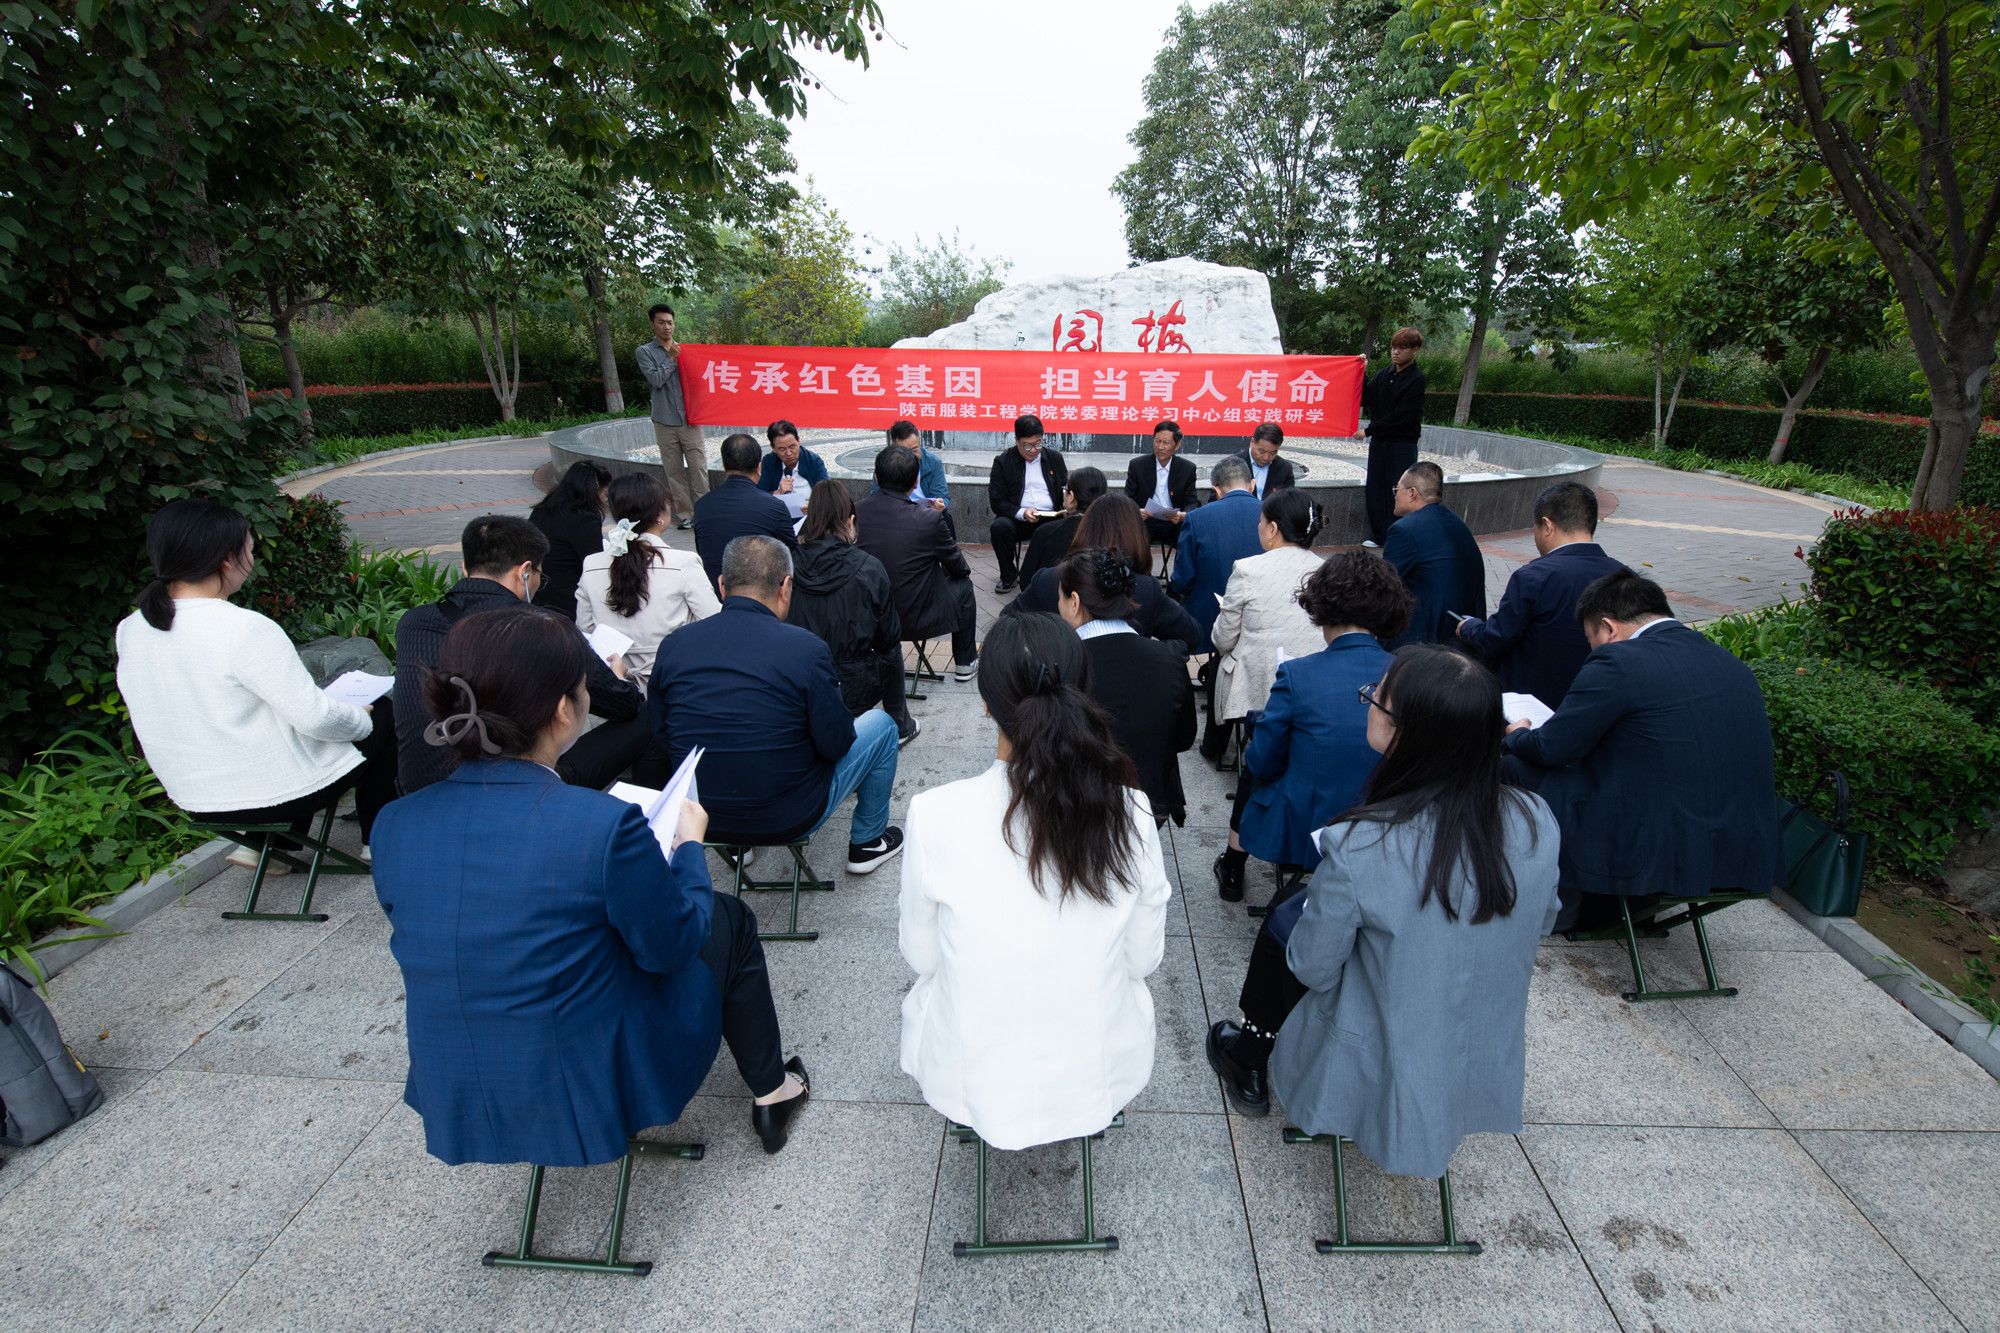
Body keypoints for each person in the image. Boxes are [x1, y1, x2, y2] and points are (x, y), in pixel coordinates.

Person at [370, 604, 810, 1165]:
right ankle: (773, 1090)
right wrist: (688, 847)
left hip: (456, 1081)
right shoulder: (599, 825)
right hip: (588, 1082)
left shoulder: (395, 824)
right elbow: (674, 946)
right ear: (563, 709)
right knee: (728, 918)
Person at [1206, 644, 1561, 1186]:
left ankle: (1250, 1050)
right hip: (1481, 1046)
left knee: (1286, 921)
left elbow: (1312, 965)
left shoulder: (1361, 843)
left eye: (1377, 697)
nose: (1369, 701)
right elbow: (1543, 920)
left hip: (1370, 1052)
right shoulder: (1536, 819)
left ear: (1403, 733)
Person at [899, 612, 1173, 1151]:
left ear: (986, 704)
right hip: (1098, 1069)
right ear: (1081, 691)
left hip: (971, 1076)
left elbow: (922, 958)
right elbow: (1143, 960)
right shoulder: (1133, 811)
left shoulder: (934, 815)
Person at [1502, 570, 1783, 931]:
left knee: (1512, 767)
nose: (1592, 650)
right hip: (1739, 847)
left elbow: (1551, 748)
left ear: (1608, 628)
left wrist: (1518, 733)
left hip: (1654, 843)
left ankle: (1558, 902)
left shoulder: (1618, 662)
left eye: (1590, 639)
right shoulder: (1731, 663)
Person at [117, 498, 397, 859]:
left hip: (195, 799)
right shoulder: (244, 628)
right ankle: (378, 842)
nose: (252, 559)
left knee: (293, 725)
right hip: (270, 797)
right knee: (384, 715)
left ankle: (269, 848)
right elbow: (316, 719)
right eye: (249, 550)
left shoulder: (133, 629)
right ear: (227, 559)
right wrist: (359, 716)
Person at [648, 535, 904, 873]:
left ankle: (739, 848)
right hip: (789, 815)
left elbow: (662, 733)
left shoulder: (674, 645)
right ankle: (868, 842)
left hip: (701, 817)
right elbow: (837, 742)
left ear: (722, 586)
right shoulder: (806, 649)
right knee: (882, 726)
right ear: (786, 587)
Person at [394, 516, 656, 795]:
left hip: (419, 788)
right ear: (525, 571)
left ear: (465, 567)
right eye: (541, 574)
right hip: (513, 795)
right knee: (649, 714)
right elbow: (622, 705)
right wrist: (618, 679)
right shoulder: (543, 628)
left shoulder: (413, 623)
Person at [1215, 554, 1411, 901]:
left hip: (1310, 826)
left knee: (1257, 760)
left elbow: (1262, 762)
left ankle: (1233, 862)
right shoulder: (1408, 672)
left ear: (1321, 604)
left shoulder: (1298, 674)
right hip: (1389, 822)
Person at [1057, 549, 1197, 826]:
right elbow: (1184, 738)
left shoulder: (1060, 666)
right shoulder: (1170, 658)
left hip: (1077, 809)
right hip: (1150, 806)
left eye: (1059, 598)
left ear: (1074, 602)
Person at [1456, 480, 1626, 708]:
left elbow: (1496, 638)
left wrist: (1469, 627)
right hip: (1593, 703)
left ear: (1547, 525)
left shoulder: (1533, 576)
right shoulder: (1625, 577)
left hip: (1529, 706)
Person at [787, 481, 918, 746]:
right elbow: (889, 635)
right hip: (858, 685)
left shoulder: (788, 565)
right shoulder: (870, 567)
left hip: (803, 681)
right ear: (850, 521)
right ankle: (899, 724)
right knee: (891, 648)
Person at [1008, 494, 1202, 655]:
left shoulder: (1049, 579)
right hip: (1127, 683)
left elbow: (1007, 625)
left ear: (1084, 529)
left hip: (1060, 682)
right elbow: (1192, 636)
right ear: (1137, 535)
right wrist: (1154, 655)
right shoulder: (1145, 588)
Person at [576, 471, 719, 688]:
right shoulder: (684, 562)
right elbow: (713, 621)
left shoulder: (592, 564)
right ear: (660, 513)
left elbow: (585, 627)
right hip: (676, 676)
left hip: (615, 680)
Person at [855, 445, 979, 683]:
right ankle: (965, 663)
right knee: (963, 587)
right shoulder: (929, 519)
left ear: (877, 477)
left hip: (868, 618)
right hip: (915, 619)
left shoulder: (855, 513)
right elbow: (960, 567)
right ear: (915, 482)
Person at [1212, 488, 1329, 728]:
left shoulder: (1247, 569)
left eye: (1261, 521)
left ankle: (1214, 744)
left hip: (1259, 687)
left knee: (1222, 660)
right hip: (1315, 683)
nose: (1259, 527)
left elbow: (1223, 639)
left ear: (1273, 529)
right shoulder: (1326, 570)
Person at [1381, 461, 1486, 649]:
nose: (1395, 495)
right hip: (1464, 631)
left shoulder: (1404, 530)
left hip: (1425, 641)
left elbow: (1382, 585)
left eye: (1397, 489)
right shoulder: (1457, 523)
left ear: (1412, 493)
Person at [1170, 454, 1265, 655]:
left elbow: (1182, 579)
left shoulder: (1196, 518)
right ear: (1252, 485)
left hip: (1207, 616)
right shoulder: (1271, 514)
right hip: (1260, 615)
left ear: (1217, 490)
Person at [693, 432, 799, 591]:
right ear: (759, 466)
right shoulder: (773, 506)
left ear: (724, 466)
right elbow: (791, 553)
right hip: (761, 595)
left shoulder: (701, 506)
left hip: (714, 591)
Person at [634, 303, 708, 529]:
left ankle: (705, 513)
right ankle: (686, 515)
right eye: (661, 322)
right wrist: (671, 359)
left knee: (698, 468)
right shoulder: (645, 352)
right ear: (653, 324)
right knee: (674, 471)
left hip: (690, 419)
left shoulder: (686, 350)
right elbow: (655, 380)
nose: (667, 327)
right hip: (664, 421)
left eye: (670, 322)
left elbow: (702, 381)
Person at [1359, 327, 1427, 547]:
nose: (1396, 352)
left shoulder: (1416, 379)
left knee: (1399, 489)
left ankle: (1397, 536)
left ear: (1415, 350)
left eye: (1402, 348)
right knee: (1375, 486)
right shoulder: (1384, 374)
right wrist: (1361, 372)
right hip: (1380, 442)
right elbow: (1366, 397)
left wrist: (1368, 430)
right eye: (1394, 347)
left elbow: (1401, 416)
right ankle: (1380, 535)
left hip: (1402, 443)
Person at [987, 414, 1069, 593]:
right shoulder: (1003, 462)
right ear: (1017, 440)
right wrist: (1022, 512)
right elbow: (997, 501)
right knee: (999, 527)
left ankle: (1055, 576)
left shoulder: (1054, 458)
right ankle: (1009, 576)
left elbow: (1065, 487)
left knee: (1069, 526)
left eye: (1038, 443)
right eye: (1027, 445)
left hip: (1051, 517)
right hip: (1019, 519)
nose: (1033, 450)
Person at [527, 461, 610, 621]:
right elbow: (593, 563)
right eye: (604, 493)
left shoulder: (543, 509)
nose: (605, 499)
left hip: (537, 590)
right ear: (594, 490)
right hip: (568, 599)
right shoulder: (585, 519)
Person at [1125, 420, 1200, 564]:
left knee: (1190, 537)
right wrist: (1136, 511)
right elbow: (1128, 497)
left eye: (1166, 443)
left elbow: (1192, 501)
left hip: (1173, 522)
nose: (1160, 447)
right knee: (1132, 536)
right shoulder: (1137, 465)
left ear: (1177, 445)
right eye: (1157, 441)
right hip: (1146, 521)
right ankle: (1141, 575)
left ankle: (1180, 577)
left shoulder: (1187, 468)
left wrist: (1183, 515)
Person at [1018, 466, 1108, 586]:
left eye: (1065, 490)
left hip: (1051, 595)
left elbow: (1026, 580)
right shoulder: (1114, 530)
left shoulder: (1046, 532)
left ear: (1071, 497)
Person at [757, 419, 828, 524]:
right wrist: (777, 493)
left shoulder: (813, 461)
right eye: (782, 449)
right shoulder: (769, 462)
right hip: (777, 521)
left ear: (798, 441)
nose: (789, 453)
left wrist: (814, 507)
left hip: (809, 521)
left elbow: (828, 493)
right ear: (773, 448)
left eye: (792, 447)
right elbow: (759, 497)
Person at [881, 419, 951, 512]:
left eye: (915, 449)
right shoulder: (886, 463)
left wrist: (939, 504)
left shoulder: (933, 462)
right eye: (904, 451)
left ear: (919, 443)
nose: (911, 456)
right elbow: (876, 496)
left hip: (926, 513)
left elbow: (942, 496)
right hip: (895, 514)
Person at [1235, 422, 1297, 498]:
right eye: (1262, 451)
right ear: (1252, 442)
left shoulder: (1284, 468)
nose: (1266, 457)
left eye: (1273, 452)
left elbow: (1288, 499)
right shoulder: (1233, 464)